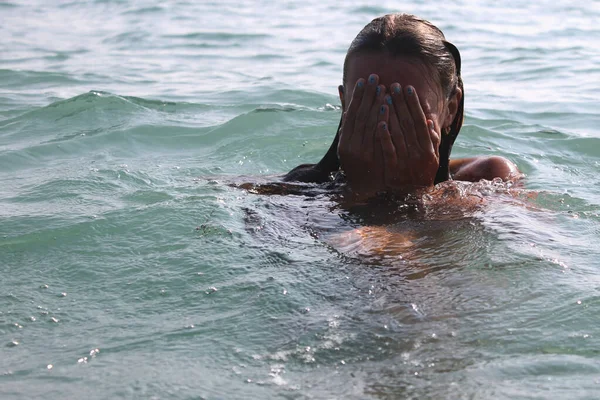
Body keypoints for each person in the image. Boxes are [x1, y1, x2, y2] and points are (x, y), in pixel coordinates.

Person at [283, 13, 519, 198]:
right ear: (345, 104)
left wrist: (416, 191)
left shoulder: (488, 180)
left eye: (409, 106)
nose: (387, 122)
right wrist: (360, 189)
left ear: (450, 109)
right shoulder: (296, 192)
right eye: (370, 101)